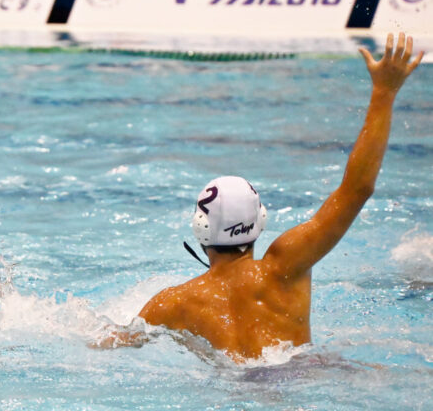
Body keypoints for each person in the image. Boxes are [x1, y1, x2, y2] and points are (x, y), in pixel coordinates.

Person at [108, 33, 423, 360]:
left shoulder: (173, 303)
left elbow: (113, 341)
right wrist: (384, 92)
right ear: (260, 220)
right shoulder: (284, 267)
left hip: (233, 385)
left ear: (200, 227)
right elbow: (357, 190)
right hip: (301, 377)